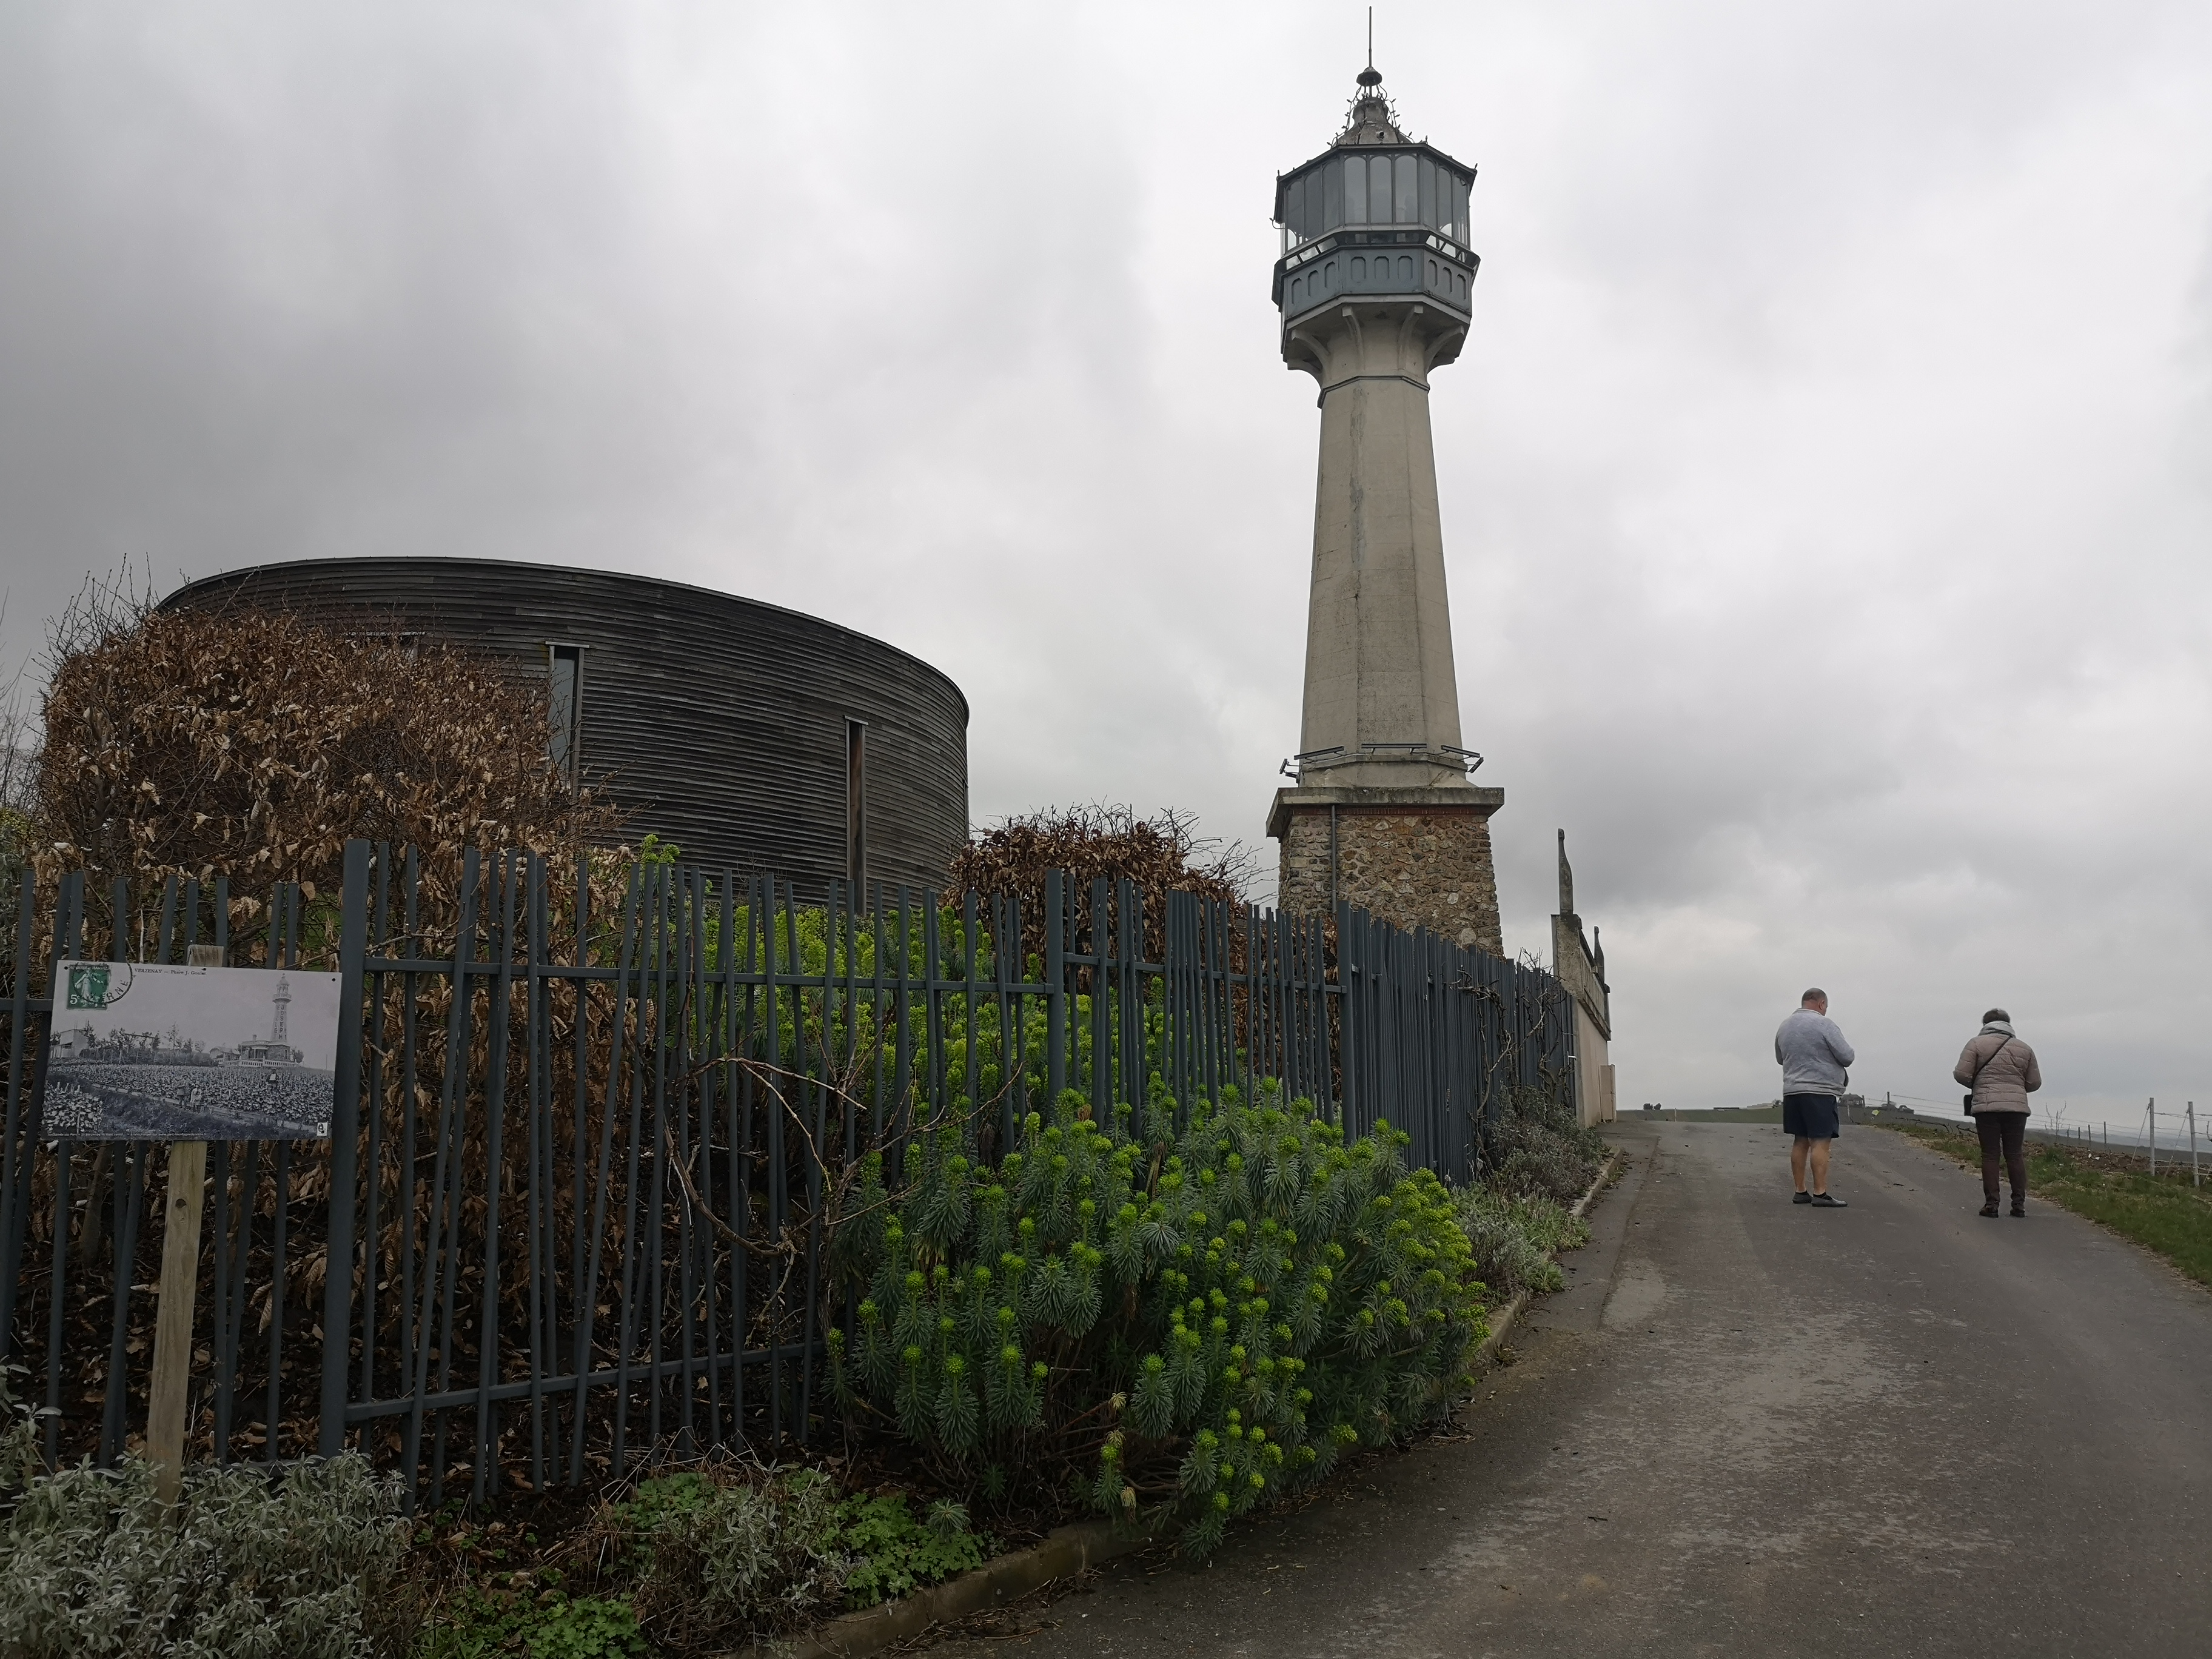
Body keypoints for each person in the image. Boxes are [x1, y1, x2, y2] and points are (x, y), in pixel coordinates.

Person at [1954, 1008, 2040, 1218]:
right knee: (2015, 1155)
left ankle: (1992, 1204)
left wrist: (1977, 1084)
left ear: (1985, 1024)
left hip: (1986, 1109)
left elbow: (1961, 1074)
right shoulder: (2025, 1048)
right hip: (2017, 1110)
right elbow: (2034, 1083)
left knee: (1990, 1155)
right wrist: (2015, 1088)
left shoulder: (1975, 1044)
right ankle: (2018, 1205)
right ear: (2008, 1023)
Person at [1775, 987, 1854, 1207]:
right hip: (1819, 1092)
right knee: (1820, 1142)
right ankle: (1820, 1194)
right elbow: (1847, 1056)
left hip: (1793, 1091)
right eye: (1826, 1007)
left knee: (1800, 1140)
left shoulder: (1784, 1026)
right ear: (1821, 1004)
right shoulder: (1824, 1024)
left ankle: (1800, 1191)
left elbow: (1780, 1058)